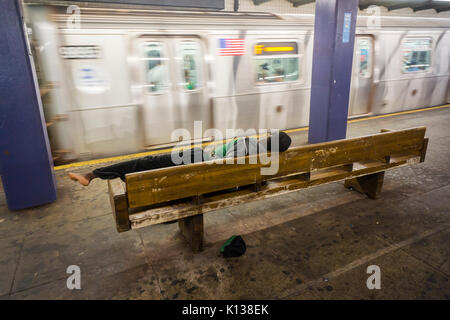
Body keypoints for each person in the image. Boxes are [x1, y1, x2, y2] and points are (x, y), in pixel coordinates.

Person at [68, 131, 292, 186]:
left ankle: (92, 175)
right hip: (201, 160)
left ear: (269, 138)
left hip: (199, 160)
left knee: (148, 162)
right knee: (150, 163)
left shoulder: (250, 146)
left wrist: (209, 155)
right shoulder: (264, 156)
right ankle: (99, 175)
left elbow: (222, 166)